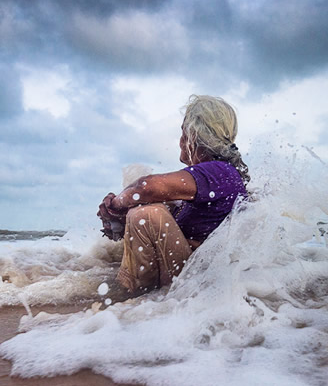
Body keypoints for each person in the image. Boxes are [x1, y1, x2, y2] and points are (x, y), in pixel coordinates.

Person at [98, 95, 250, 295]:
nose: (180, 141)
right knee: (150, 208)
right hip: (192, 276)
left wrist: (114, 206)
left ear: (193, 134)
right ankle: (133, 298)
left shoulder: (219, 172)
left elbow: (146, 187)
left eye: (183, 132)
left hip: (191, 283)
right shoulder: (221, 174)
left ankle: (128, 300)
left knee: (147, 216)